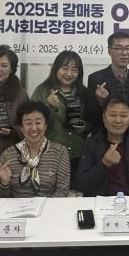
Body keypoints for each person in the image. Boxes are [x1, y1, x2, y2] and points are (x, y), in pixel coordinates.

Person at [75, 95, 129, 196]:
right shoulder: (91, 143)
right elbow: (81, 184)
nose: (118, 120)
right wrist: (104, 164)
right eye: (112, 115)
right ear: (103, 117)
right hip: (100, 202)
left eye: (123, 116)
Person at [30, 51, 88, 184]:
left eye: (74, 70)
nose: (69, 73)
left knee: (74, 191)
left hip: (77, 154)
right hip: (49, 154)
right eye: (65, 68)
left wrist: (84, 127)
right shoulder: (42, 90)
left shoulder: (84, 92)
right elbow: (33, 123)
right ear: (56, 69)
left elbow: (91, 120)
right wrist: (49, 106)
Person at [0, 101, 70, 198]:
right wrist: (4, 183)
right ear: (21, 127)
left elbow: (62, 192)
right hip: (15, 206)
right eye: (28, 123)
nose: (34, 128)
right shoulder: (7, 155)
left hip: (48, 206)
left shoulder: (60, 152)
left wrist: (44, 207)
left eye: (38, 123)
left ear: (45, 126)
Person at [86, 32, 129, 134]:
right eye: (119, 48)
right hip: (105, 136)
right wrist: (100, 101)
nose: (124, 53)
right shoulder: (96, 78)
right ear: (109, 51)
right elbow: (89, 115)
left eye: (128, 48)